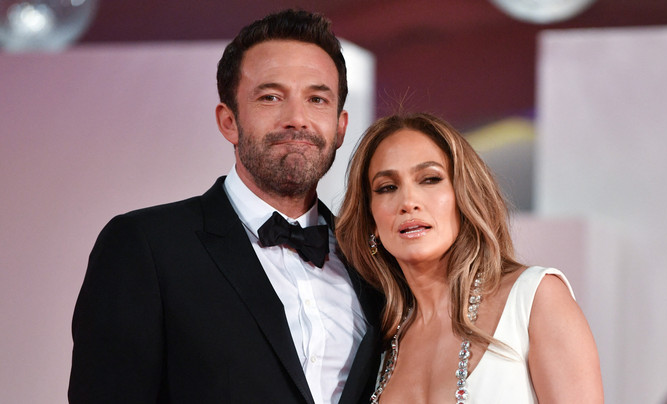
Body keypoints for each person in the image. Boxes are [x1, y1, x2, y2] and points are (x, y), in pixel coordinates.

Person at [69, 9, 382, 404]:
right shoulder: (145, 246)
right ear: (228, 121)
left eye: (317, 99)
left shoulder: (371, 263)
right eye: (271, 97)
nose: (297, 119)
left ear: (339, 127)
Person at [335, 113, 603, 403]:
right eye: (387, 187)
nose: (408, 202)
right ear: (371, 219)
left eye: (430, 179)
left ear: (464, 195)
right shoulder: (376, 342)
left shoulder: (535, 299)